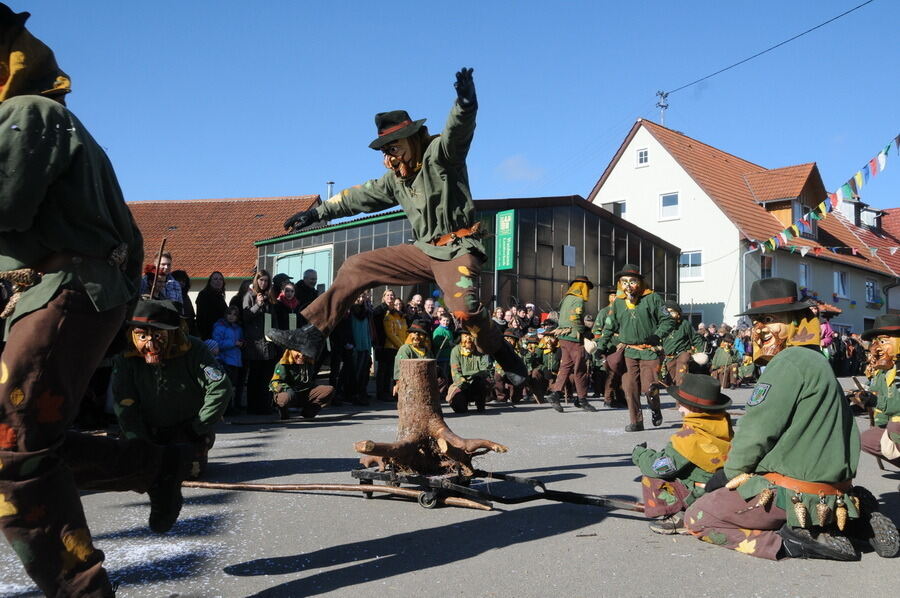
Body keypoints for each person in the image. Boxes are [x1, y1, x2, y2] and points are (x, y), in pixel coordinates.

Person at [0, 10, 191, 594]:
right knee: (34, 444)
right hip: (69, 292)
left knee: (13, 454)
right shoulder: (43, 116)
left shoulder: (25, 113)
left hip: (68, 291)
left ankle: (81, 588)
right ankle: (158, 465)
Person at [277, 67, 528, 387]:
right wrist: (317, 213)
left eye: (392, 149)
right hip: (424, 249)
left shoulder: (441, 155)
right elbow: (359, 196)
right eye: (384, 153)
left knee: (464, 312)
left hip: (456, 248)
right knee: (356, 266)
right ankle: (312, 334)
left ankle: (505, 354)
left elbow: (457, 132)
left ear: (409, 140)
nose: (389, 159)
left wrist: (465, 104)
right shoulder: (395, 181)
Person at [684, 278, 889, 561]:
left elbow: (757, 430)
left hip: (794, 491)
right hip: (835, 486)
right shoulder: (815, 360)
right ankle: (850, 518)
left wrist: (728, 475)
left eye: (769, 320)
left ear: (795, 321)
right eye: (756, 321)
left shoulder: (787, 363)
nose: (760, 330)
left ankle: (792, 541)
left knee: (698, 516)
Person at [113, 300, 233, 480]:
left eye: (158, 336)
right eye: (142, 336)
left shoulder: (195, 350)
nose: (150, 345)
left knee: (185, 471)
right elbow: (124, 402)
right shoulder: (125, 357)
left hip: (186, 429)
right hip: (146, 429)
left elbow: (220, 388)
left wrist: (196, 427)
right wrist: (138, 440)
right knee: (136, 470)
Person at [632, 374, 733, 535]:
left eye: (681, 404)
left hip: (701, 493)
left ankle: (680, 516)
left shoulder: (690, 436)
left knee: (651, 477)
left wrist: (639, 454)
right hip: (723, 487)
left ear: (693, 409)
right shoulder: (720, 423)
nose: (679, 408)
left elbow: (659, 467)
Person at [598, 264, 675, 431]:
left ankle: (655, 409)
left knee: (649, 388)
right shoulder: (617, 303)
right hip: (628, 351)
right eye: (624, 282)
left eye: (632, 281)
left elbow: (668, 320)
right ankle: (636, 421)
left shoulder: (652, 298)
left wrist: (657, 335)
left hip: (649, 350)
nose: (628, 286)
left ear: (639, 282)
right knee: (629, 387)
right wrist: (601, 346)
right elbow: (609, 326)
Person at [547, 276, 597, 413]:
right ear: (582, 286)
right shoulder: (578, 300)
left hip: (563, 337)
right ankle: (582, 400)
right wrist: (585, 331)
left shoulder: (566, 298)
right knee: (580, 369)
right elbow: (575, 319)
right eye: (587, 287)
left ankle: (556, 394)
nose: (588, 291)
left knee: (565, 367)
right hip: (574, 338)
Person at [857, 314, 900, 471]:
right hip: (892, 422)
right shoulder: (884, 371)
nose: (877, 348)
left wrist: (876, 402)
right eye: (876, 342)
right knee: (866, 439)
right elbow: (876, 394)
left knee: (896, 426)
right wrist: (859, 399)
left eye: (883, 341)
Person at [268, 330, 335, 421]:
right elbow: (274, 382)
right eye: (298, 354)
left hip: (304, 392)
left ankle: (308, 413)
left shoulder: (308, 362)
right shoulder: (283, 364)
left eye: (303, 354)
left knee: (328, 390)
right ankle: (284, 414)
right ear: (291, 352)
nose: (301, 356)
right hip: (290, 393)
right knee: (285, 398)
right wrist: (286, 389)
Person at [242, 269, 279, 414]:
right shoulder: (249, 296)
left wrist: (276, 337)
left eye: (266, 280)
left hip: (268, 343)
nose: (263, 283)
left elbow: (273, 320)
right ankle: (253, 407)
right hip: (255, 344)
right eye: (261, 280)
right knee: (254, 376)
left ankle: (264, 405)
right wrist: (257, 304)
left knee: (266, 377)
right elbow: (246, 317)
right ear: (256, 281)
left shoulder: (270, 297)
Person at [660, 301, 705, 387]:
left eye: (672, 311)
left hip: (682, 352)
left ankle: (682, 390)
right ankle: (678, 390)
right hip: (669, 356)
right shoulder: (663, 324)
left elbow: (695, 338)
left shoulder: (685, 324)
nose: (669, 314)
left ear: (678, 313)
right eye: (667, 312)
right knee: (673, 378)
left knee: (681, 370)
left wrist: (700, 352)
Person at [447, 330, 492, 413]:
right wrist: (461, 380)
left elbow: (486, 368)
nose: (468, 338)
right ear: (460, 337)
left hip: (477, 380)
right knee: (460, 408)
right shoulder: (455, 351)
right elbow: (455, 371)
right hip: (462, 382)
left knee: (483, 382)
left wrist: (478, 375)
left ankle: (481, 403)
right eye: (465, 336)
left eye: (470, 336)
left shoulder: (481, 350)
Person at [212, 306, 244, 414]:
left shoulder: (238, 328)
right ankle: (226, 408)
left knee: (233, 386)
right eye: (230, 314)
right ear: (225, 314)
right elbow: (217, 344)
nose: (231, 316)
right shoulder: (219, 327)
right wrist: (233, 343)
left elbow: (240, 341)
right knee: (226, 386)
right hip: (224, 360)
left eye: (234, 314)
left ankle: (231, 407)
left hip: (235, 360)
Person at [346, 292, 374, 405]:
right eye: (359, 296)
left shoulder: (366, 309)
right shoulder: (353, 309)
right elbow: (357, 318)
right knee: (355, 370)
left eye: (363, 296)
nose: (361, 299)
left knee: (363, 370)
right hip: (356, 343)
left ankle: (361, 392)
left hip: (364, 343)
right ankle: (354, 394)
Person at [393, 321, 434, 392]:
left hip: (425, 386)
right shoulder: (405, 349)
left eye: (420, 333)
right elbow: (400, 368)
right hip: (409, 385)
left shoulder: (427, 351)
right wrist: (398, 383)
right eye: (414, 333)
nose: (416, 335)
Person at [372, 288, 397, 402]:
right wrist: (376, 342)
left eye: (392, 295)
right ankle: (381, 393)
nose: (390, 297)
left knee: (389, 370)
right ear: (383, 297)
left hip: (391, 344)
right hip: (381, 343)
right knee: (382, 369)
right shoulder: (379, 310)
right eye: (388, 295)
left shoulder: (394, 311)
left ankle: (387, 391)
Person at [196, 271, 228, 340]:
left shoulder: (220, 296)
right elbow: (202, 318)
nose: (218, 281)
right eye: (215, 279)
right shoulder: (204, 295)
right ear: (210, 282)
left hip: (220, 333)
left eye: (220, 279)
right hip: (209, 334)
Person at [170, 269, 197, 335]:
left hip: (189, 328)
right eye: (179, 280)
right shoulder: (171, 295)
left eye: (183, 281)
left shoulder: (185, 296)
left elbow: (191, 313)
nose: (181, 283)